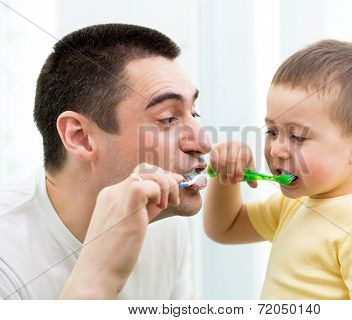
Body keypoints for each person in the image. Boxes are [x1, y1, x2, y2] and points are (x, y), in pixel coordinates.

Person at [0, 23, 211, 299]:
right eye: (168, 119)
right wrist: (97, 277)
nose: (203, 141)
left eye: (194, 113)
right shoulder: (7, 262)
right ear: (80, 137)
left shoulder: (166, 226)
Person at [204, 40, 352, 299]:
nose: (276, 149)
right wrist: (226, 177)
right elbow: (224, 228)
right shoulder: (292, 205)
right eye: (272, 131)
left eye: (298, 136)